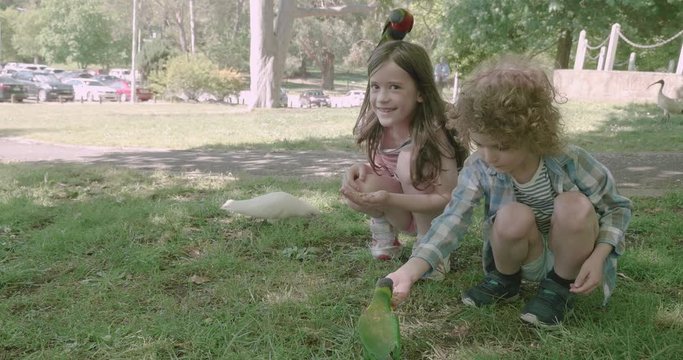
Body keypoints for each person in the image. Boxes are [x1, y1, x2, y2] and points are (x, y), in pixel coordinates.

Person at [385, 54, 633, 328]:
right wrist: (411, 270)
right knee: (512, 214)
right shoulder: (479, 166)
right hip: (526, 255)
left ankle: (559, 289)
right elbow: (452, 219)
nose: (490, 156)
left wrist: (599, 256)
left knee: (574, 204)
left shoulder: (569, 160)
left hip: (571, 259)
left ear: (533, 133)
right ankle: (505, 280)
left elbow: (616, 209)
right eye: (480, 143)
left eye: (502, 146)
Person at [340, 40, 468, 280]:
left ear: (420, 92)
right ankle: (384, 233)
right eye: (375, 87)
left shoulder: (434, 133)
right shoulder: (377, 125)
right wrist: (361, 169)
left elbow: (449, 198)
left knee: (410, 158)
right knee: (360, 181)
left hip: (438, 218)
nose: (382, 98)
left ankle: (430, 249)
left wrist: (389, 199)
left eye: (395, 87)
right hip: (404, 208)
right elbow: (385, 172)